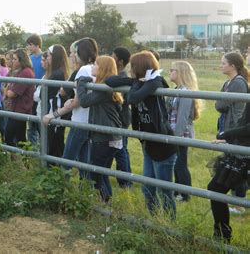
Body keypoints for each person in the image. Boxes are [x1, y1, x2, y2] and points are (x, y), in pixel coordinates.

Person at [106, 51, 178, 219]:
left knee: (164, 190)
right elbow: (110, 80)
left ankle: (170, 224)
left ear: (140, 68)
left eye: (133, 66)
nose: (130, 69)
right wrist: (135, 81)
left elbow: (132, 98)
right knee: (147, 188)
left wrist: (136, 83)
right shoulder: (140, 82)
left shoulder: (156, 82)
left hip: (163, 146)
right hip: (148, 144)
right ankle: (155, 220)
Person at [43, 38, 98, 178]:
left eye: (73, 52)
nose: (71, 56)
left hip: (80, 121)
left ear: (80, 53)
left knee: (67, 161)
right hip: (88, 121)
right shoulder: (93, 68)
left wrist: (53, 114)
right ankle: (86, 191)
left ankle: (63, 190)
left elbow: (78, 101)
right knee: (84, 161)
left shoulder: (83, 70)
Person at [76, 56, 123, 202]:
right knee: (101, 173)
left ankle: (105, 203)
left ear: (102, 68)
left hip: (105, 137)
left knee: (95, 175)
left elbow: (84, 102)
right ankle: (107, 203)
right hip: (109, 136)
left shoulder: (104, 89)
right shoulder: (103, 87)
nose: (92, 67)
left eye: (95, 64)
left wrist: (81, 83)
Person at [208, 102, 250, 243]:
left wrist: (226, 134)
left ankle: (222, 235)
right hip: (243, 150)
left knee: (216, 188)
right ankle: (222, 235)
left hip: (246, 152)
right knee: (215, 188)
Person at [215, 51, 249, 214]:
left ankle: (239, 204)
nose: (221, 65)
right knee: (231, 165)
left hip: (235, 129)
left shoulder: (238, 83)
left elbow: (221, 105)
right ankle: (235, 201)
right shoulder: (228, 83)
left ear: (233, 65)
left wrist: (222, 101)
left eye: (223, 63)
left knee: (237, 166)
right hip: (227, 127)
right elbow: (219, 104)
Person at [167, 61, 202, 201]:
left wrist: (175, 137)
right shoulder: (177, 89)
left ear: (180, 72)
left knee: (180, 165)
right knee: (176, 164)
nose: (170, 72)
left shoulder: (186, 92)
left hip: (181, 134)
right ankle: (178, 192)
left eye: (172, 70)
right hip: (174, 133)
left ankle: (185, 194)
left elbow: (182, 118)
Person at [42, 44, 70, 159]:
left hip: (55, 110)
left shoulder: (57, 74)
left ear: (55, 57)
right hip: (53, 109)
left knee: (55, 142)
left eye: (48, 55)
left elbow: (45, 93)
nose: (47, 58)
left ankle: (55, 167)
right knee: (54, 141)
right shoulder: (56, 72)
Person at [4, 48, 35, 147]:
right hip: (18, 108)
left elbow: (12, 93)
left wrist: (7, 90)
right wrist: (8, 90)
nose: (12, 61)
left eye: (15, 59)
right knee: (20, 137)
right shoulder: (21, 71)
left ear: (22, 60)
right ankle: (23, 160)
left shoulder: (25, 73)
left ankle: (17, 159)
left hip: (20, 109)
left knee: (8, 135)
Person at [111, 47, 133, 188]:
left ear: (119, 61)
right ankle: (124, 179)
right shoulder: (118, 76)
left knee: (120, 150)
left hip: (121, 119)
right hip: (119, 118)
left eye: (113, 56)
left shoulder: (122, 78)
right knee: (119, 149)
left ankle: (126, 181)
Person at [26, 34, 45, 145]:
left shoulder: (44, 57)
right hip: (31, 93)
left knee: (40, 121)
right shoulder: (30, 59)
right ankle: (33, 145)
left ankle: (43, 145)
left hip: (41, 92)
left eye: (30, 45)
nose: (28, 47)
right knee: (31, 119)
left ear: (37, 45)